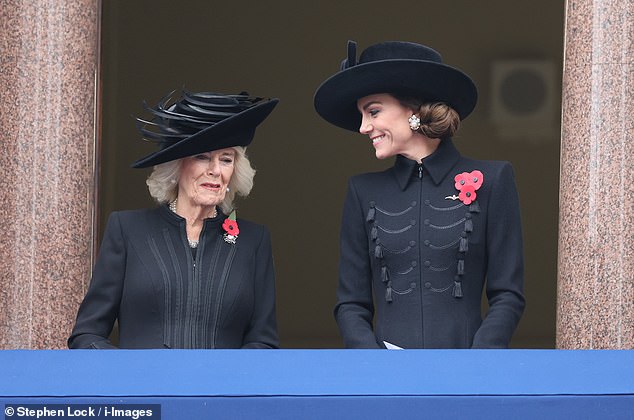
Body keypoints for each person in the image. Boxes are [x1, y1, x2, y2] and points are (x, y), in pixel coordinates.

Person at [314, 41, 525, 349]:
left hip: (468, 375)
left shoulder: (494, 179)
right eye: (362, 115)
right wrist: (375, 365)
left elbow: (508, 294)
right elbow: (351, 303)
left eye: (373, 111)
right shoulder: (362, 191)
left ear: (413, 109)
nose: (363, 127)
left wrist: (480, 361)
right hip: (386, 381)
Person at [68, 90, 279, 349]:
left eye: (226, 159)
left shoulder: (253, 241)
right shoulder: (127, 230)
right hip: (142, 387)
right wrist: (127, 373)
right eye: (202, 156)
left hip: (221, 388)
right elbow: (87, 334)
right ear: (177, 166)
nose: (214, 170)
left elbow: (263, 342)